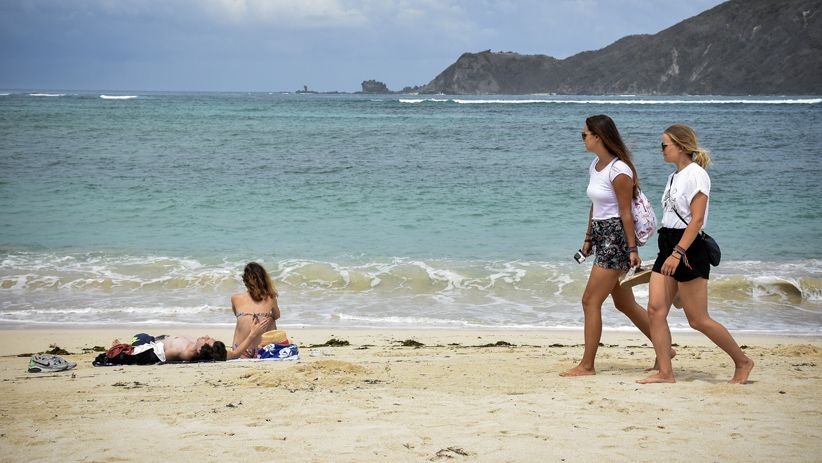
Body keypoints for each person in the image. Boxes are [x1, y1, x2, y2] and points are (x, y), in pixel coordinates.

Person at [638, 124, 754, 384]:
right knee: (656, 310)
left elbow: (697, 220)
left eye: (664, 145)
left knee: (698, 319)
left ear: (680, 146)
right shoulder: (673, 176)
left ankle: (743, 361)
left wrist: (678, 253)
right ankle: (666, 373)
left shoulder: (697, 175)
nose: (661, 150)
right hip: (667, 243)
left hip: (688, 250)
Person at [561, 115, 671, 377]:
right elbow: (595, 206)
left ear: (598, 137)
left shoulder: (620, 170)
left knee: (590, 301)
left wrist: (632, 250)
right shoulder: (596, 165)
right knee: (624, 304)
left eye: (585, 134)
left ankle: (587, 365)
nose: (582, 138)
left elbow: (626, 213)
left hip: (616, 238)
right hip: (601, 235)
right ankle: (665, 350)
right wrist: (588, 239)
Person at [227, 262, 281, 360]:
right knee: (271, 318)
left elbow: (237, 315)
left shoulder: (235, 298)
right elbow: (277, 315)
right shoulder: (270, 298)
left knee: (244, 318)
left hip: (239, 350)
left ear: (245, 280)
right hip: (262, 350)